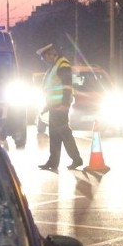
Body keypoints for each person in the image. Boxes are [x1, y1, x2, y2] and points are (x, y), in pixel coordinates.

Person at [36, 43, 83, 171]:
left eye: (44, 58)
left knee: (64, 133)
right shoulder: (54, 66)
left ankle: (76, 159)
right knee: (55, 135)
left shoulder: (62, 64)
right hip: (54, 106)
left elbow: (67, 85)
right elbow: (52, 89)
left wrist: (65, 104)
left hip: (60, 107)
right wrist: (47, 106)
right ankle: (53, 161)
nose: (44, 61)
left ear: (51, 54)